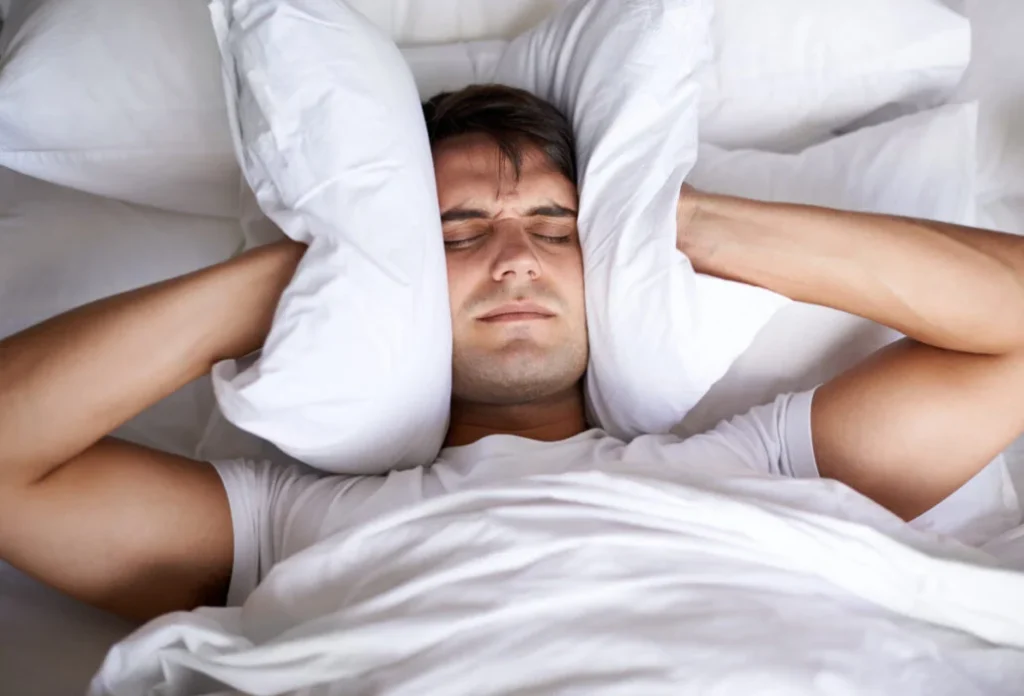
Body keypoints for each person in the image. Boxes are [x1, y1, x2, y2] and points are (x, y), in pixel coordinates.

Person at [1, 84, 1024, 624]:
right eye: (450, 233)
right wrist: (318, 266)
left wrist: (682, 221)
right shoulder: (291, 525)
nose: (512, 259)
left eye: (554, 226)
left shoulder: (759, 465)